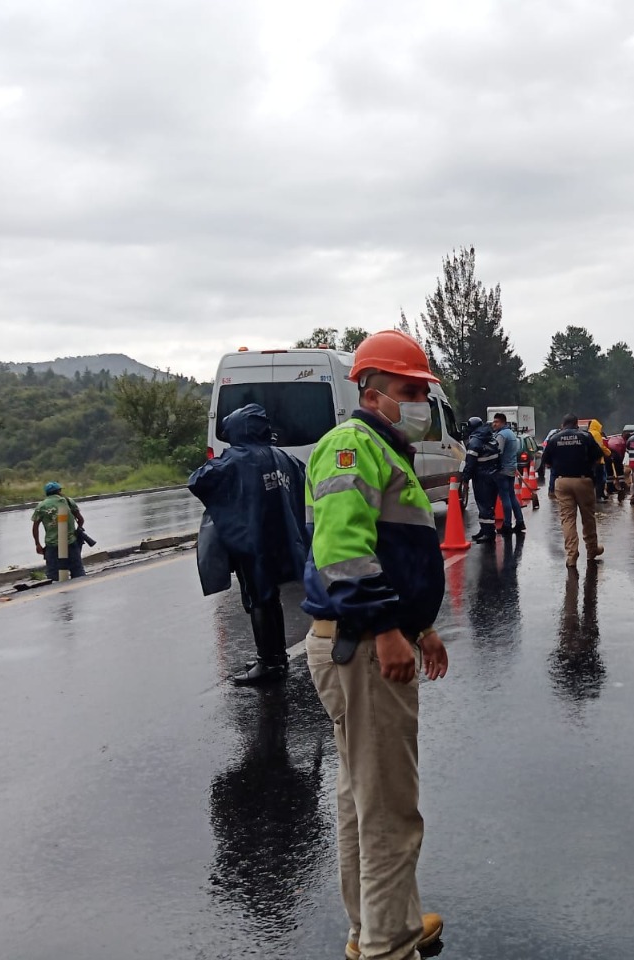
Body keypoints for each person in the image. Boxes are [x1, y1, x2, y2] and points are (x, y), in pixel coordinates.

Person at [300, 329, 448, 960]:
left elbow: (392, 553)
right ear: (372, 391)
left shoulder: (384, 449)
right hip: (360, 645)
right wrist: (387, 628)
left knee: (364, 795)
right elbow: (342, 551)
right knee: (389, 806)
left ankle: (376, 926)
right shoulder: (350, 447)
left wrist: (419, 625)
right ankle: (390, 944)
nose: (419, 402)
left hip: (369, 638)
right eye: (410, 391)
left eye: (423, 392)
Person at [189, 403, 309, 685]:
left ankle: (270, 663)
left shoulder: (236, 460)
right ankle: (275, 656)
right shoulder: (284, 458)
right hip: (282, 538)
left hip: (252, 541)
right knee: (271, 599)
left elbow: (198, 480)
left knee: (259, 600)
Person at [540, 414, 605, 568]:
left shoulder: (554, 439)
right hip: (583, 480)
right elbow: (598, 457)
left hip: (562, 482)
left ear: (562, 425)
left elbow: (546, 462)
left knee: (567, 519)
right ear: (577, 425)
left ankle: (571, 554)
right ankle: (592, 550)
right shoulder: (586, 436)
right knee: (588, 517)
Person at [31, 481, 87, 580]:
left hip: (52, 545)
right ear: (59, 491)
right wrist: (77, 531)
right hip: (70, 542)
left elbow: (35, 527)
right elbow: (81, 520)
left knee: (53, 575)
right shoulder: (68, 501)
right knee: (77, 571)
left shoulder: (41, 506)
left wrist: (37, 544)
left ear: (47, 493)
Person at [462, 415, 501, 543]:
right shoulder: (490, 437)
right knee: (488, 504)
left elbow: (470, 463)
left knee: (484, 505)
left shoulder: (475, 441)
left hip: (482, 477)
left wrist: (465, 478)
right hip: (493, 475)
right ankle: (484, 529)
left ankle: (489, 533)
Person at [491, 412, 527, 535]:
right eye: (494, 421)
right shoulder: (512, 434)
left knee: (505, 497)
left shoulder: (501, 435)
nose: (494, 424)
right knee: (511, 496)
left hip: (502, 470)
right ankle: (520, 521)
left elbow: (497, 452)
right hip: (511, 469)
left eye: (497, 422)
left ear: (503, 422)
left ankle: (507, 525)